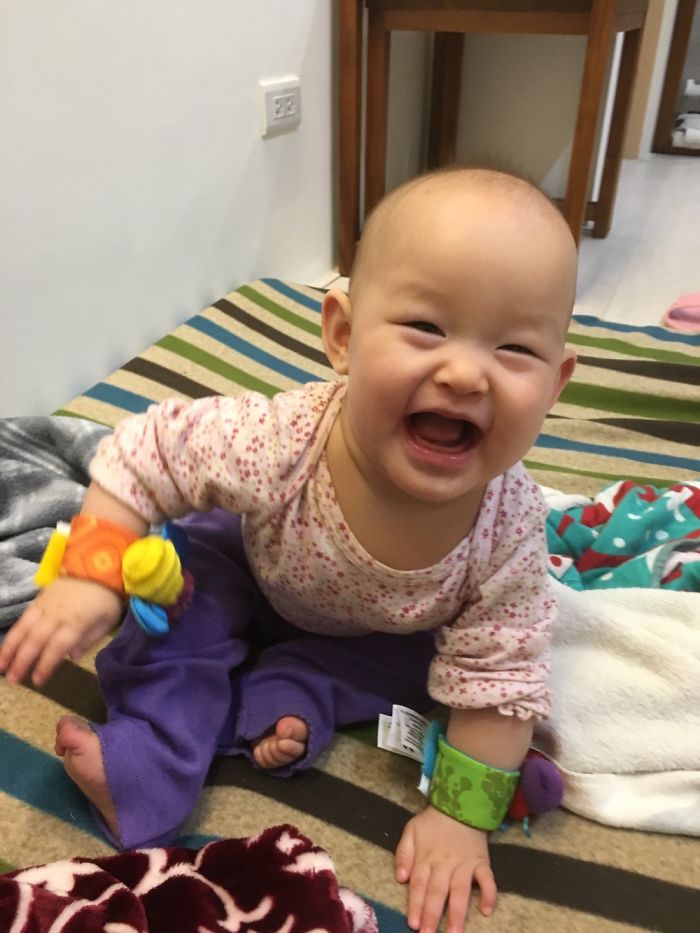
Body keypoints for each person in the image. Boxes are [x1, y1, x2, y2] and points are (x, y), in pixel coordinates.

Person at [0, 167, 578, 933]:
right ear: (342, 336)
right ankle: (144, 765)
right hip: (253, 563)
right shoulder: (281, 439)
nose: (465, 371)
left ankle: (287, 694)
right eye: (425, 328)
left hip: (387, 629)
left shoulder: (508, 530)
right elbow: (148, 452)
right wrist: (95, 572)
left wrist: (461, 816)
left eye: (514, 349)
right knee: (181, 609)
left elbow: (499, 676)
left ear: (557, 382)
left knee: (432, 674)